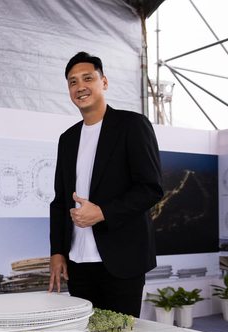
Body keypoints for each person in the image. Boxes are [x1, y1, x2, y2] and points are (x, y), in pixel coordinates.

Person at [48, 52, 163, 317]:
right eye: (73, 82)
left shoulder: (132, 125)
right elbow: (60, 201)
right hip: (78, 263)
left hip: (121, 261)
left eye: (87, 78)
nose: (80, 86)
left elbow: (151, 188)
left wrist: (102, 212)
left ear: (104, 82)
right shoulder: (67, 139)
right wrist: (57, 252)